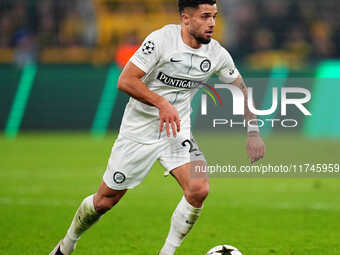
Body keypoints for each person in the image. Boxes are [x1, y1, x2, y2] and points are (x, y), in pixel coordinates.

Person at [49, 0, 265, 254]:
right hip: (139, 131)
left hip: (177, 131)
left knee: (198, 189)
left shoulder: (216, 53)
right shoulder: (161, 41)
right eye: (205, 17)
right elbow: (126, 80)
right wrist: (161, 102)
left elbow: (240, 89)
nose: (212, 24)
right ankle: (67, 244)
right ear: (185, 19)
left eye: (214, 17)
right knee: (105, 201)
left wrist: (253, 133)